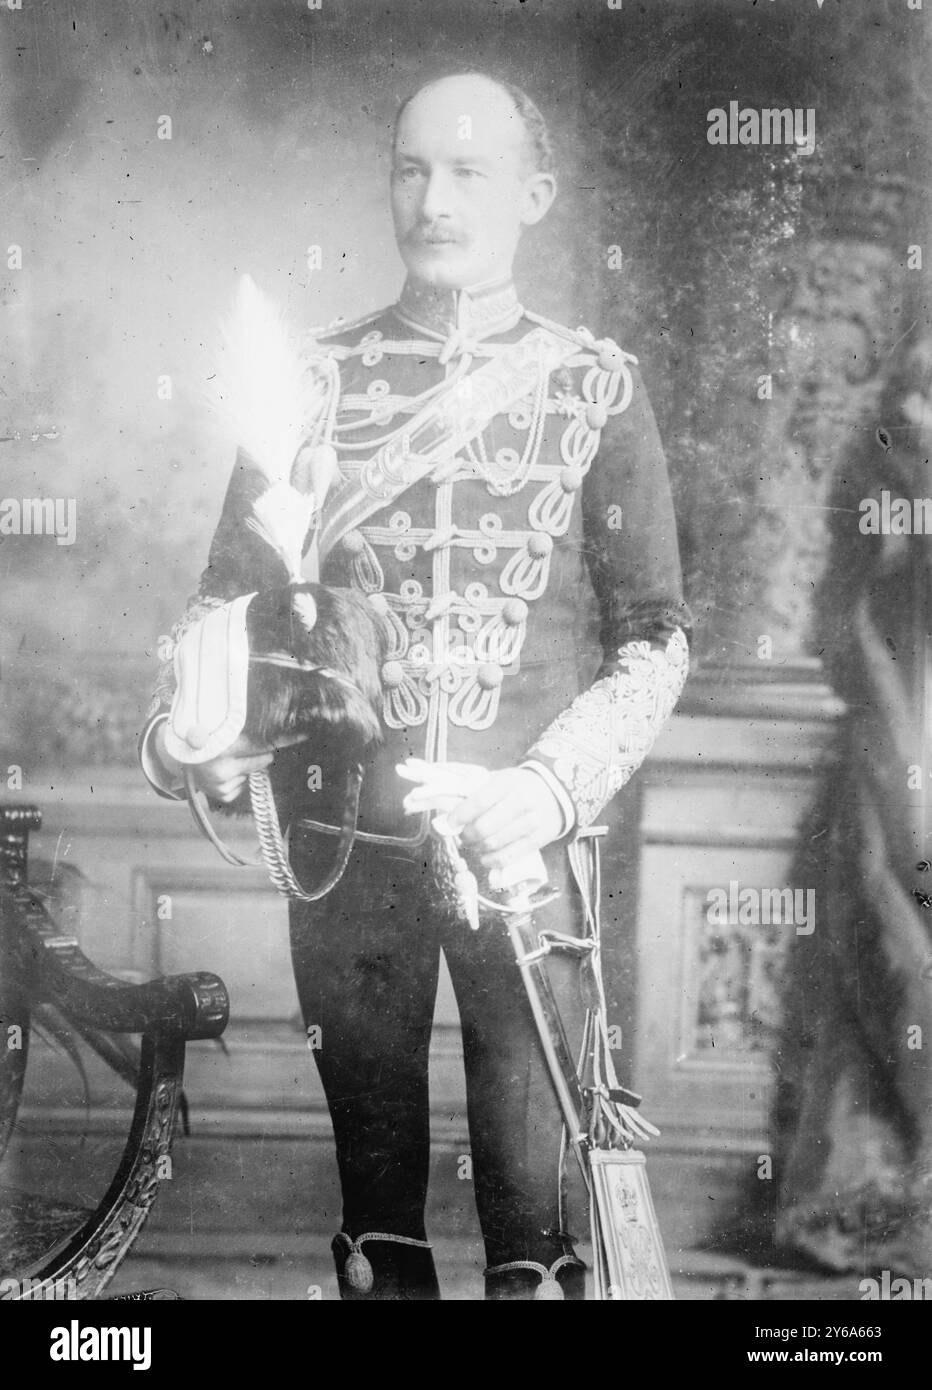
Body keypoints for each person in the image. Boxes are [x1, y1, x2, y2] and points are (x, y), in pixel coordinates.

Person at [139, 72, 691, 1300]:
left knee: (535, 1251)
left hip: (525, 859)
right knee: (377, 1245)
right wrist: (202, 733)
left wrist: (547, 789)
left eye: (470, 173)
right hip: (346, 852)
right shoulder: (308, 382)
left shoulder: (592, 385)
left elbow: (654, 639)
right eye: (410, 169)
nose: (433, 200)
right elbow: (220, 616)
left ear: (534, 196)